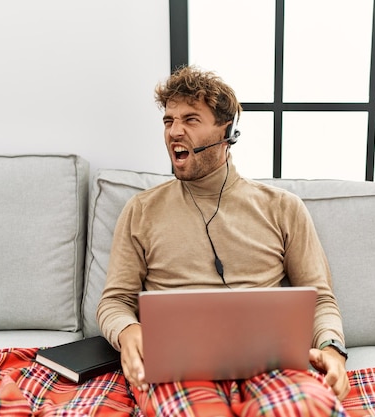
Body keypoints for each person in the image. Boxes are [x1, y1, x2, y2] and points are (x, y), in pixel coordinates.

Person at [97, 65, 350, 417]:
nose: (175, 132)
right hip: (179, 369)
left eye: (190, 119)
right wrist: (128, 331)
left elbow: (320, 298)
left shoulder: (283, 208)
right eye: (168, 121)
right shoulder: (140, 210)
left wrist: (332, 350)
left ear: (228, 132)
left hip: (272, 366)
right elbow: (114, 301)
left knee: (308, 408)